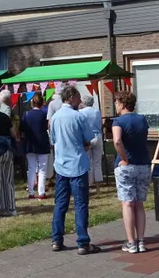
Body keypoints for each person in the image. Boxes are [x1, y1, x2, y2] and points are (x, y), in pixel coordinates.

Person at [50, 85, 100, 255]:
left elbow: (54, 141)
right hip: (78, 164)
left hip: (61, 165)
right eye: (78, 97)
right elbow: (89, 139)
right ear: (71, 97)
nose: (80, 101)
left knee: (60, 204)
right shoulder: (78, 117)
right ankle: (83, 242)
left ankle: (56, 239)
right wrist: (83, 144)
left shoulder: (55, 117)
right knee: (80, 204)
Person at [112, 91, 151, 254]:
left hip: (126, 167)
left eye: (116, 102)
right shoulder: (142, 119)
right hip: (143, 164)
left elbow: (117, 141)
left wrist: (124, 158)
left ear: (121, 103)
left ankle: (131, 242)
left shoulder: (118, 121)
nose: (115, 105)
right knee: (139, 204)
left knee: (128, 203)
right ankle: (141, 240)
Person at [20, 93, 50, 199]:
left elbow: (22, 128)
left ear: (32, 103)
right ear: (42, 103)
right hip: (42, 142)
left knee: (31, 168)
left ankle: (31, 192)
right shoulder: (44, 114)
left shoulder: (26, 114)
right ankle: (41, 192)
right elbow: (47, 127)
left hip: (30, 143)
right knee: (42, 168)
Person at [79, 92, 103, 195]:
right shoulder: (97, 112)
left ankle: (89, 185)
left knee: (87, 162)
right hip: (97, 136)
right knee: (97, 162)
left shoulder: (81, 112)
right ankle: (98, 188)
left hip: (87, 138)